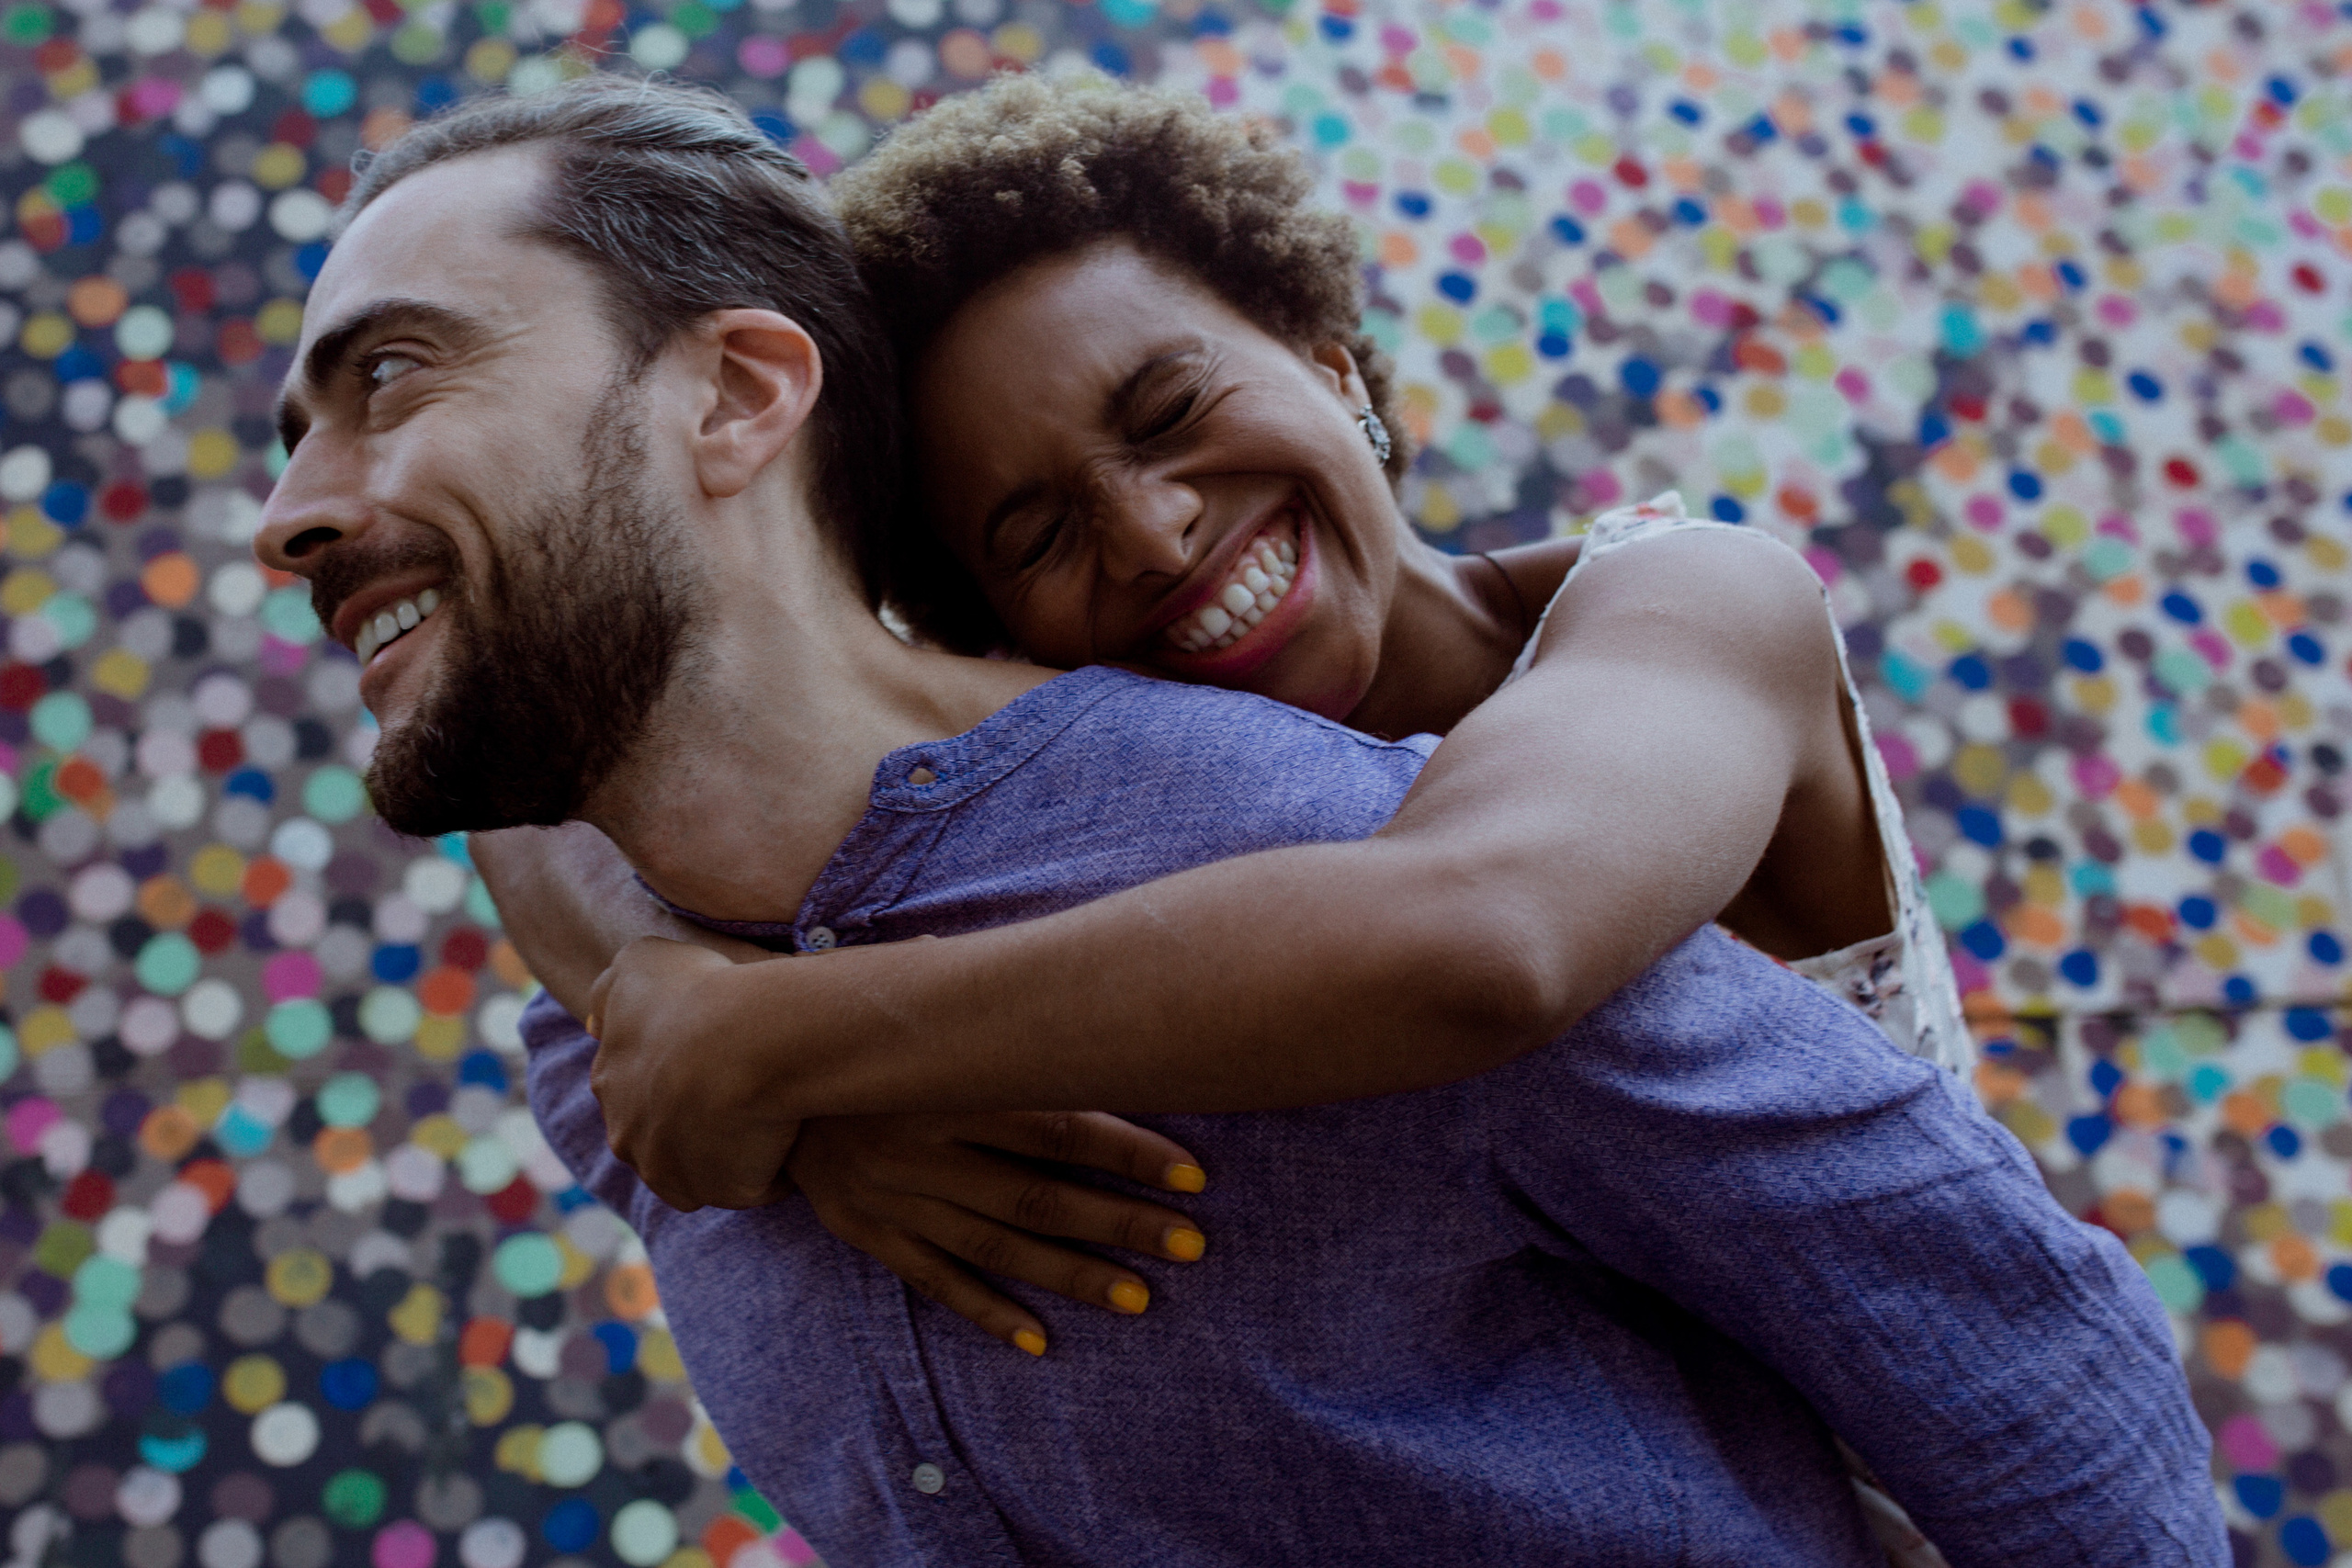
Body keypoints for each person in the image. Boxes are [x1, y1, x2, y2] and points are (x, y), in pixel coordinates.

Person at [262, 75, 2222, 1565]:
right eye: (1030, 531)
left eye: (1169, 404)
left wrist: (785, 1042)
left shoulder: (1670, 614)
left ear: (1335, 358)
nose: (1152, 526)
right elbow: (556, 771)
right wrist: (742, 1083)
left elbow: (1475, 935)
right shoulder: (1040, 815)